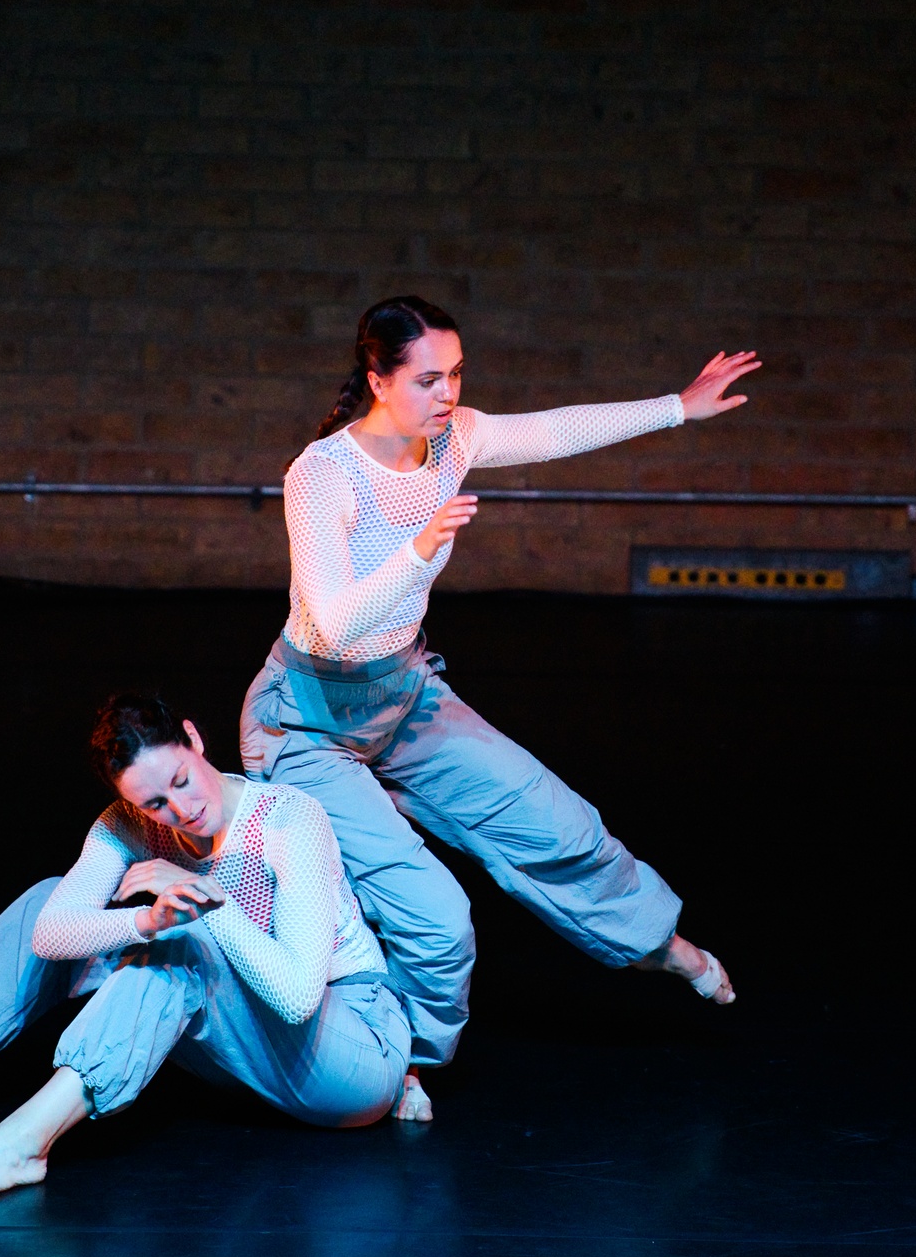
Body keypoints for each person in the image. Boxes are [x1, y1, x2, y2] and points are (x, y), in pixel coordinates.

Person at [242, 296, 759, 1121]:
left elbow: (553, 430)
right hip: (307, 721)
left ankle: (657, 943)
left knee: (555, 821)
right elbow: (330, 624)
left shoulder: (455, 438)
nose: (447, 394)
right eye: (427, 379)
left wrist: (678, 407)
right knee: (435, 914)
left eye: (456, 375)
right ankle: (400, 1056)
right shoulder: (322, 474)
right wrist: (418, 550)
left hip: (402, 694)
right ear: (378, 378)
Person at [0, 694, 409, 1200]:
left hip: (349, 1050)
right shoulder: (126, 824)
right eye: (153, 803)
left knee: (184, 941)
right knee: (48, 900)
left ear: (194, 739)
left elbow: (296, 997)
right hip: (244, 1054)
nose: (180, 809)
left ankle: (22, 1143)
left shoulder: (287, 819)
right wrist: (145, 922)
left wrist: (197, 902)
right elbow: (50, 935)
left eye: (182, 780)